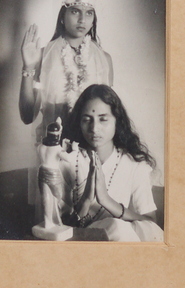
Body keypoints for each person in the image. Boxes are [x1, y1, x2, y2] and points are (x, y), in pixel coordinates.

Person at [18, 0, 113, 221]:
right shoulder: (42, 56)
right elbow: (27, 115)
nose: (82, 19)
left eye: (89, 13)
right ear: (62, 15)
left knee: (91, 222)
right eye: (75, 11)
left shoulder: (105, 60)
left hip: (92, 155)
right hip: (54, 154)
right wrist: (28, 67)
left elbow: (108, 118)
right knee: (56, 224)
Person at [60, 84, 163, 242]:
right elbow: (58, 229)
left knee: (119, 228)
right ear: (79, 123)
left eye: (103, 119)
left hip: (120, 244)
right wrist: (86, 200)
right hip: (79, 243)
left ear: (117, 121)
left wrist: (106, 200)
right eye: (87, 120)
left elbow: (151, 224)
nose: (94, 128)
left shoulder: (135, 165)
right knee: (116, 228)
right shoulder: (66, 161)